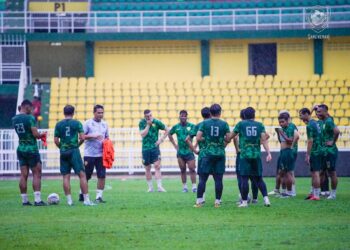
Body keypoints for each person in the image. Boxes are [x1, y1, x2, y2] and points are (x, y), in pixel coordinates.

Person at [229, 107, 272, 207]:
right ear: (254, 115)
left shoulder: (241, 124)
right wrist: (268, 153)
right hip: (256, 155)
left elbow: (231, 136)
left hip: (244, 155)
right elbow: (264, 139)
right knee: (259, 179)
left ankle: (244, 202)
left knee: (244, 178)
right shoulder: (260, 125)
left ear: (244, 115)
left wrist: (226, 138)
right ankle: (266, 200)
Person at [54, 105, 94, 206]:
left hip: (63, 152)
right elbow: (82, 137)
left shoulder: (58, 124)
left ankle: (69, 201)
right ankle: (86, 200)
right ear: (73, 113)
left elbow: (56, 140)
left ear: (64, 113)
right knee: (82, 175)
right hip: (74, 151)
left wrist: (62, 148)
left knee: (66, 177)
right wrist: (77, 145)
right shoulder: (77, 123)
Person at [194, 104, 231, 208]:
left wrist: (207, 140)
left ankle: (199, 201)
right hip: (219, 154)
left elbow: (198, 138)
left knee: (202, 179)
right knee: (218, 179)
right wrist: (221, 142)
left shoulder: (205, 123)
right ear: (220, 112)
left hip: (207, 154)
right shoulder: (224, 124)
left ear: (210, 113)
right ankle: (217, 202)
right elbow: (228, 139)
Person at [12, 99, 46, 206]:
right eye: (31, 109)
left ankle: (25, 200)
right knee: (37, 173)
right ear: (27, 107)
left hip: (21, 148)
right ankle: (37, 200)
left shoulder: (14, 119)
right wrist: (42, 135)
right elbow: (35, 134)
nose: (32, 111)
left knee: (23, 175)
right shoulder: (30, 118)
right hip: (31, 149)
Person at [80, 105, 109, 203]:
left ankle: (99, 197)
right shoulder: (88, 123)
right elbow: (82, 137)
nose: (101, 114)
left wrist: (108, 143)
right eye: (99, 112)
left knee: (102, 175)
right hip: (89, 154)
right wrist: (93, 136)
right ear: (94, 112)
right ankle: (82, 193)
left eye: (102, 112)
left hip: (101, 155)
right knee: (86, 176)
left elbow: (107, 137)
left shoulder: (105, 124)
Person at [139, 109, 169, 192]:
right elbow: (143, 134)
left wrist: (161, 140)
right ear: (144, 117)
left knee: (157, 166)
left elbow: (167, 129)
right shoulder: (142, 123)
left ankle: (159, 187)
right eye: (147, 116)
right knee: (147, 168)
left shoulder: (157, 122)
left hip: (155, 148)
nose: (149, 117)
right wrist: (148, 125)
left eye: (150, 115)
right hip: (145, 148)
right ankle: (150, 187)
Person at [186, 107, 211, 201]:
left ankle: (201, 198)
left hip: (203, 155)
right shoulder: (216, 124)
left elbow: (187, 139)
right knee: (218, 178)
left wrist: (195, 150)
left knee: (202, 178)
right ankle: (218, 200)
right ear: (210, 113)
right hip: (216, 154)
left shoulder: (198, 125)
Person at [234, 109, 259, 204]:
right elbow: (266, 136)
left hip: (243, 154)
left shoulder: (241, 125)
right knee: (254, 177)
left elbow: (235, 138)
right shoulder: (256, 125)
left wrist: (237, 150)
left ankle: (244, 197)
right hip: (254, 153)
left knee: (241, 177)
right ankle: (255, 198)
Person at [169, 110, 197, 193]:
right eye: (182, 115)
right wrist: (175, 145)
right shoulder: (176, 127)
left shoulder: (192, 126)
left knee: (192, 169)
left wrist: (194, 146)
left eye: (185, 115)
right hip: (180, 152)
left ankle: (194, 187)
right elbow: (169, 134)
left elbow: (198, 135)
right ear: (179, 116)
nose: (183, 117)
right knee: (182, 169)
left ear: (187, 117)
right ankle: (184, 187)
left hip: (189, 151)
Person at [316, 104, 340, 200]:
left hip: (330, 151)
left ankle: (333, 194)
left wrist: (333, 142)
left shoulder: (329, 121)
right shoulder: (323, 121)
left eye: (320, 111)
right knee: (321, 172)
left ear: (326, 112)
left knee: (332, 172)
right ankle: (321, 192)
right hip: (323, 151)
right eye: (317, 112)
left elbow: (337, 131)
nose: (318, 113)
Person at [299, 108, 322, 200]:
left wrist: (307, 154)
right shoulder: (316, 123)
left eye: (301, 115)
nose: (299, 117)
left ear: (306, 114)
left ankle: (316, 195)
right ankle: (313, 193)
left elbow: (310, 141)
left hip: (315, 151)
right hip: (320, 149)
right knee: (313, 172)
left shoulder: (309, 126)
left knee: (315, 173)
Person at [275, 112, 299, 198]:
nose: (281, 124)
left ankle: (290, 193)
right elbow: (282, 141)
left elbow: (291, 139)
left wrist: (281, 133)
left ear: (287, 120)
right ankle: (289, 192)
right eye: (280, 122)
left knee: (288, 173)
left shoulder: (290, 127)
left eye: (282, 122)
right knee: (285, 172)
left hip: (288, 151)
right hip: (284, 151)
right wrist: (279, 133)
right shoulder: (285, 128)